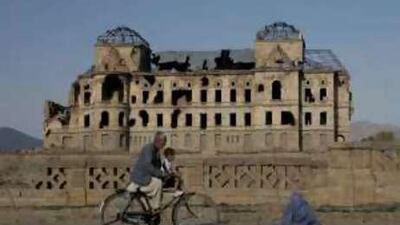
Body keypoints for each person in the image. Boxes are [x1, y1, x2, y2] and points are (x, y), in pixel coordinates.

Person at [127, 131, 167, 213]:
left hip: (146, 176)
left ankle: (150, 208)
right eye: (164, 142)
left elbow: (158, 166)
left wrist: (167, 172)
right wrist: (160, 174)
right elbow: (148, 166)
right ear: (158, 141)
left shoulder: (156, 151)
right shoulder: (148, 148)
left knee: (158, 183)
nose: (164, 144)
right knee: (158, 183)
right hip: (141, 177)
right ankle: (155, 207)